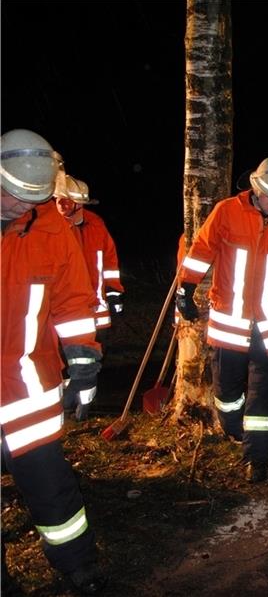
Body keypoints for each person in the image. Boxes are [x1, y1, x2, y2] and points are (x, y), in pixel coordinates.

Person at [1, 129, 106, 594]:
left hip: (30, 391)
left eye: (32, 200)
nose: (21, 208)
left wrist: (84, 363)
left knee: (52, 488)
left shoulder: (53, 231)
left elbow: (73, 302)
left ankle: (78, 566)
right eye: (13, 196)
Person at [175, 157, 268, 483]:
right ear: (256, 188)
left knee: (264, 393)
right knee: (226, 390)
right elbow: (202, 249)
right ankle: (234, 427)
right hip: (229, 320)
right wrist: (186, 289)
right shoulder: (226, 211)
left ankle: (258, 459)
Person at [54, 172, 125, 420]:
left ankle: (85, 407)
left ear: (79, 203)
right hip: (63, 309)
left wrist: (115, 291)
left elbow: (109, 260)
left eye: (66, 201)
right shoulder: (52, 227)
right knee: (61, 359)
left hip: (96, 306)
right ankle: (61, 405)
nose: (61, 205)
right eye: (58, 200)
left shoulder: (96, 225)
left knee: (90, 359)